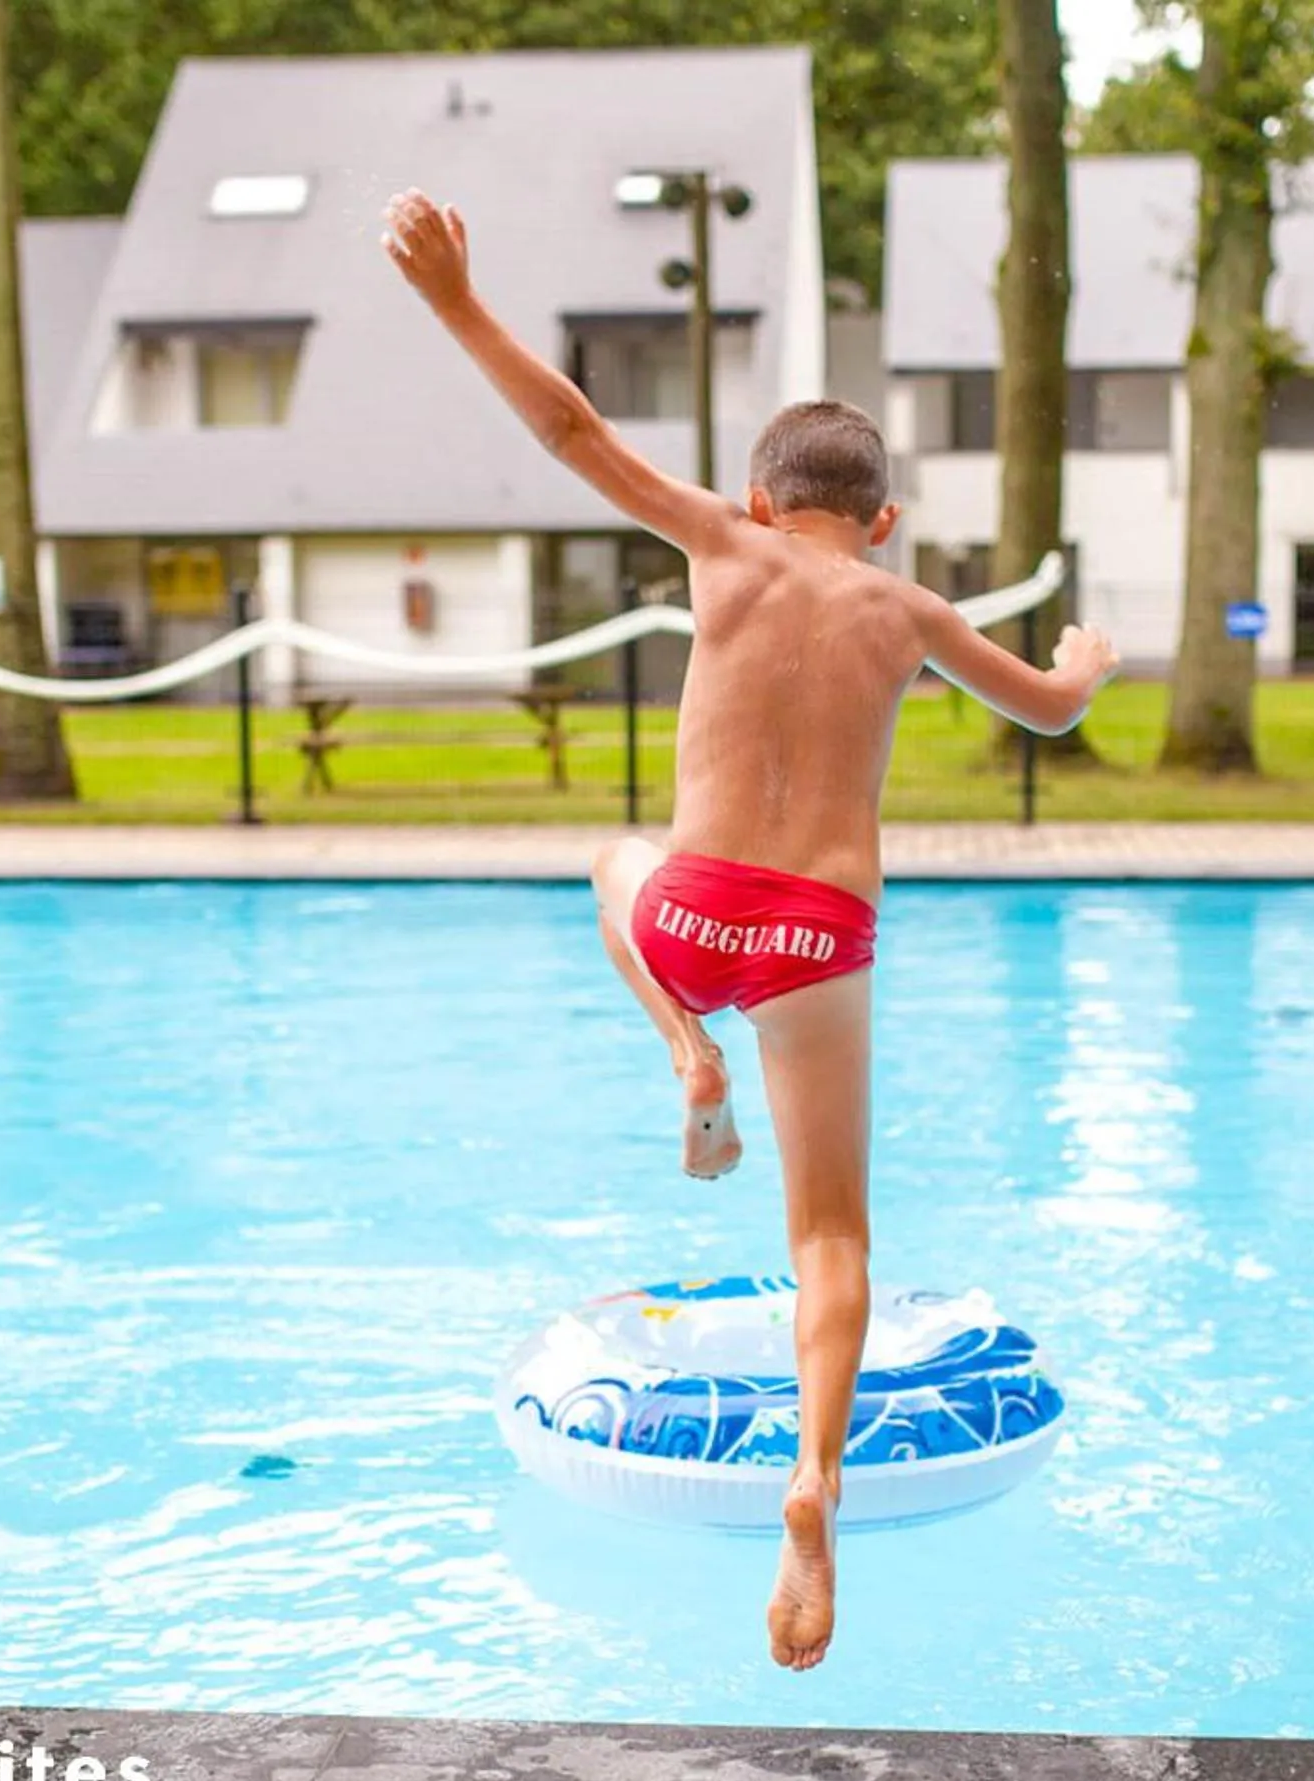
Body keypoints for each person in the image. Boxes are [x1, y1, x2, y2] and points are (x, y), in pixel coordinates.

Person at [384, 190, 1117, 1671]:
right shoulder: (908, 610)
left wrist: (458, 301)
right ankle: (815, 1482)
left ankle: (682, 1052)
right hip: (819, 936)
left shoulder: (722, 542)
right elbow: (1051, 707)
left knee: (611, 862)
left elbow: (574, 435)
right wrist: (1084, 660)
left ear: (764, 498)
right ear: (886, 520)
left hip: (695, 916)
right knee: (832, 1229)